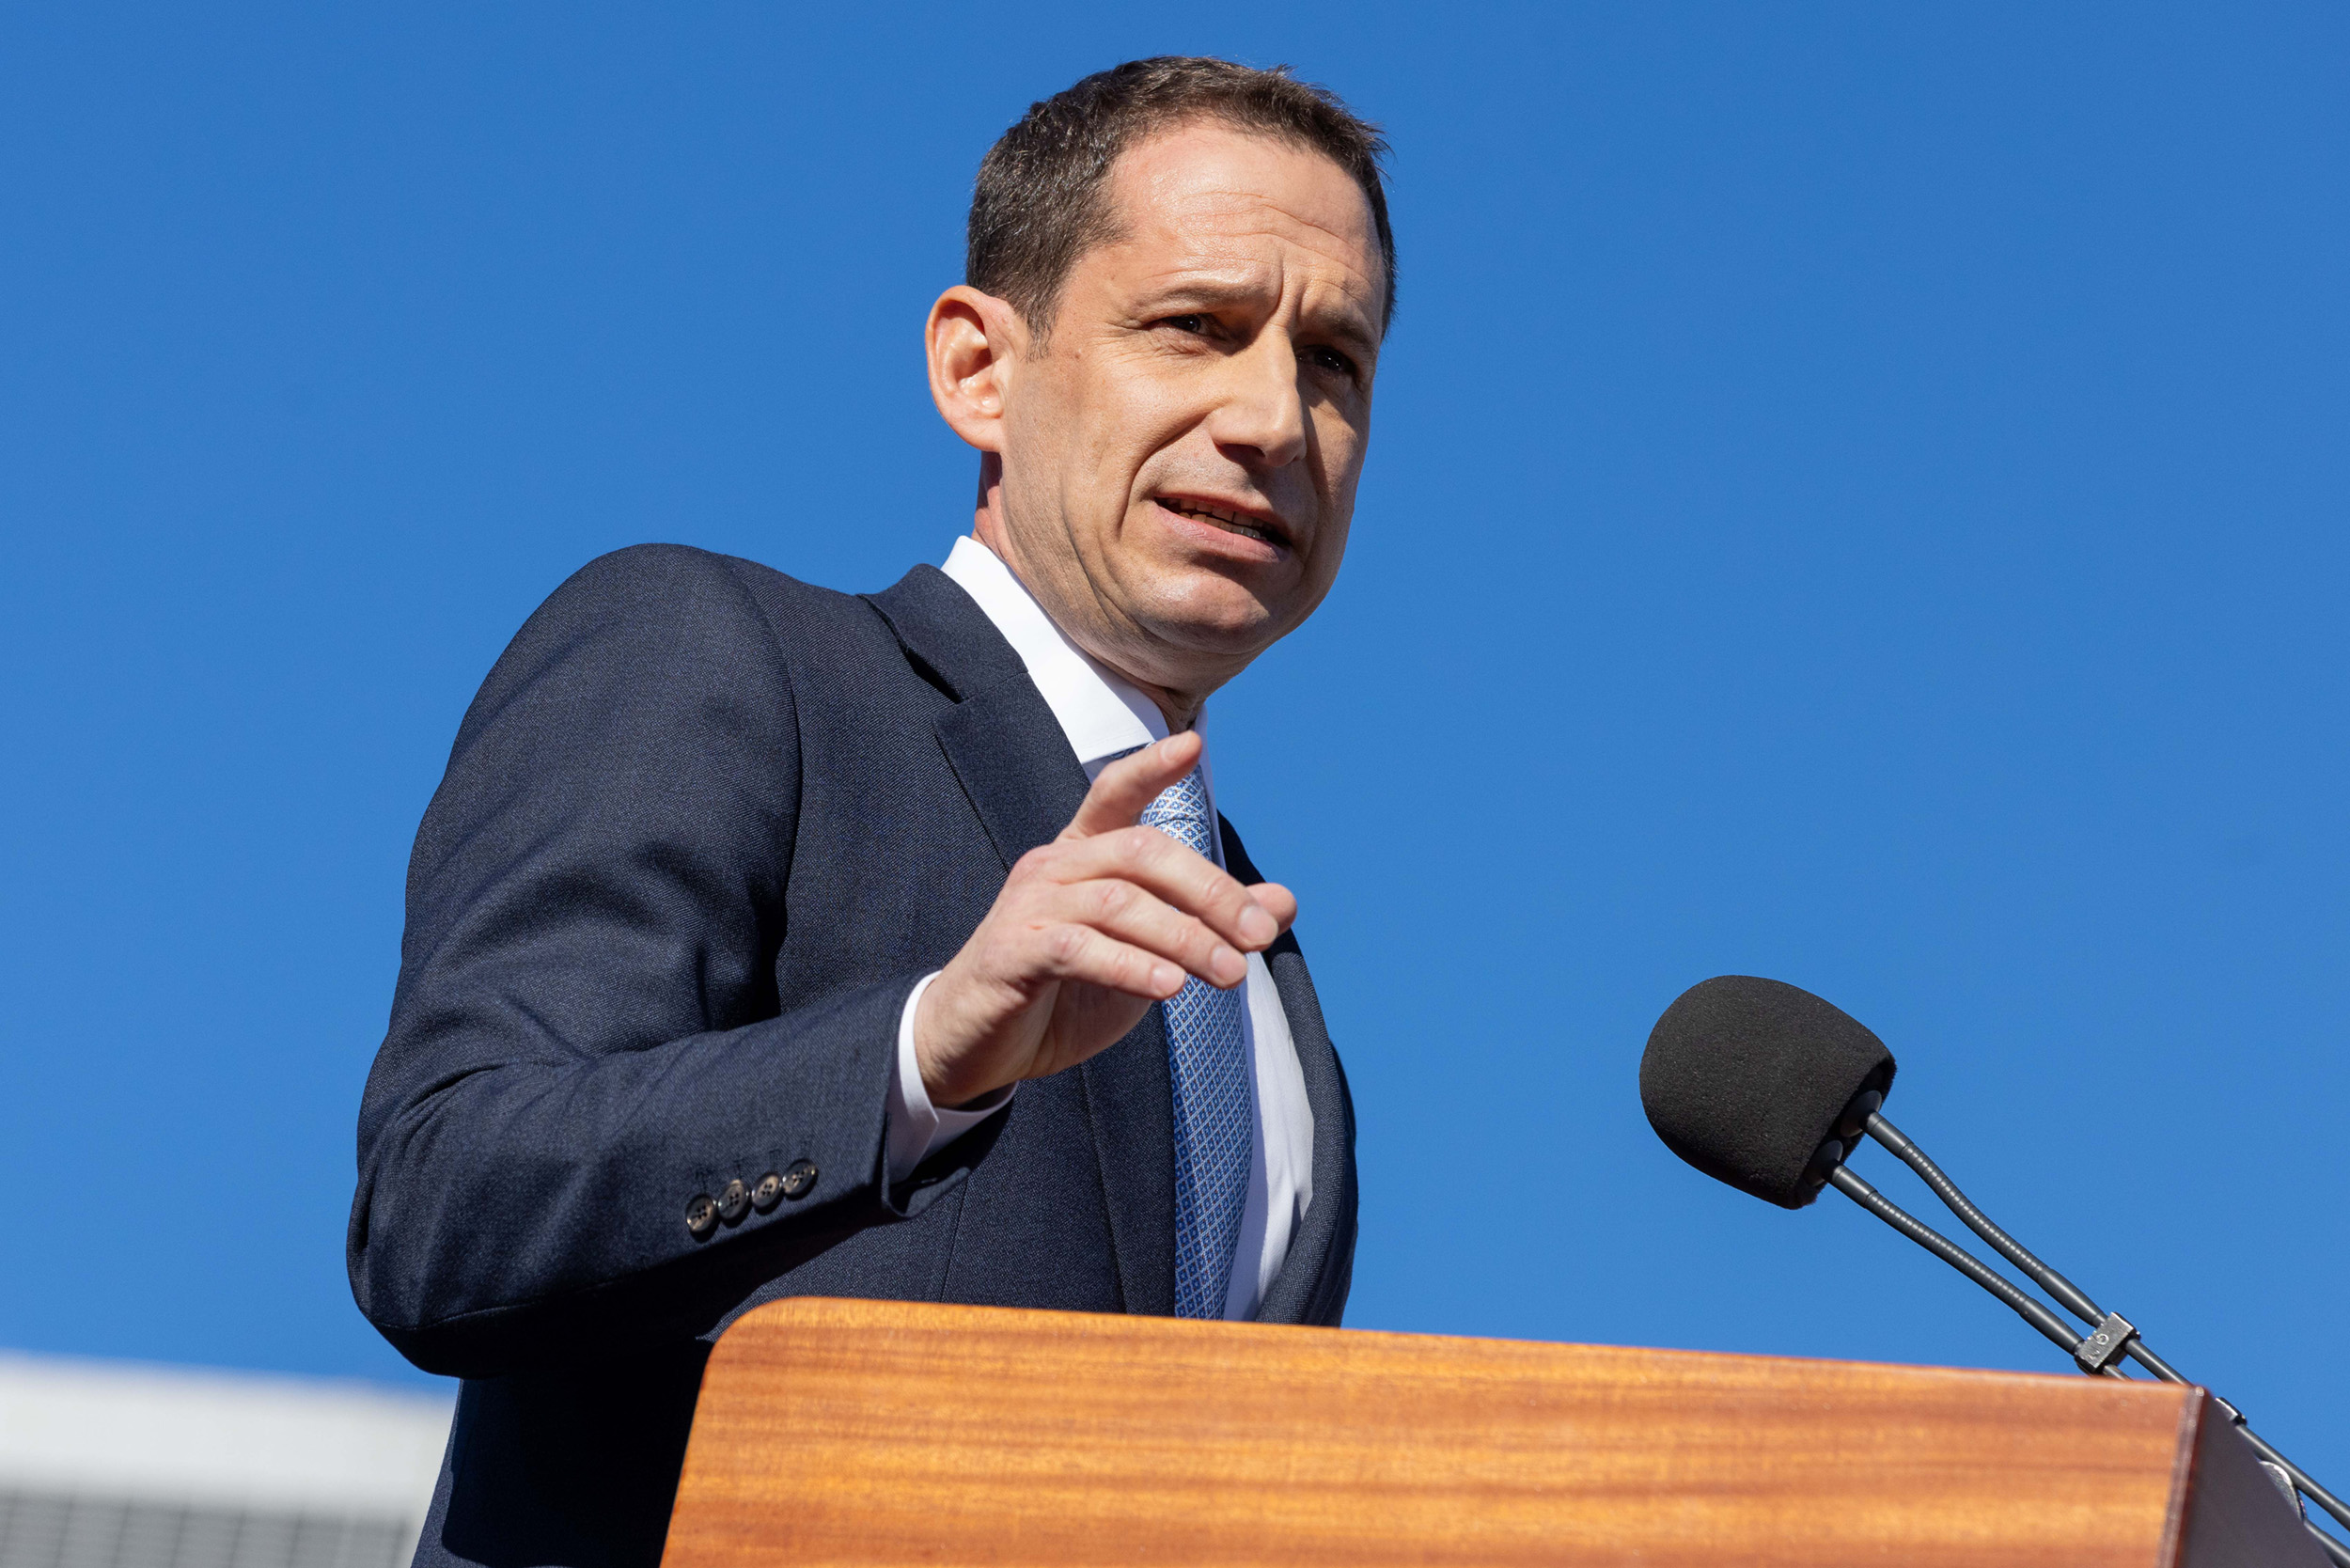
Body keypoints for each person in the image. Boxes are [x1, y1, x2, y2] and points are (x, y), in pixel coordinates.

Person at [348, 55, 1394, 1568]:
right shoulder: (722, 657)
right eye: (1196, 329)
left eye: (1335, 362)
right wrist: (920, 1056)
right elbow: (448, 1204)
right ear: (980, 369)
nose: (1273, 418)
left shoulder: (1263, 979)